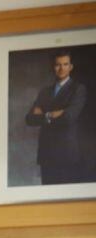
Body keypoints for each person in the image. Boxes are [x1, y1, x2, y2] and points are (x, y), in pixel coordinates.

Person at [25, 49, 88, 184]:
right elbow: (29, 119)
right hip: (46, 154)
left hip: (66, 153)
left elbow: (69, 117)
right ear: (53, 67)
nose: (61, 68)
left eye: (65, 64)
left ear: (71, 67)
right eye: (58, 64)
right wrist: (53, 113)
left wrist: (43, 115)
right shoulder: (45, 91)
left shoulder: (78, 89)